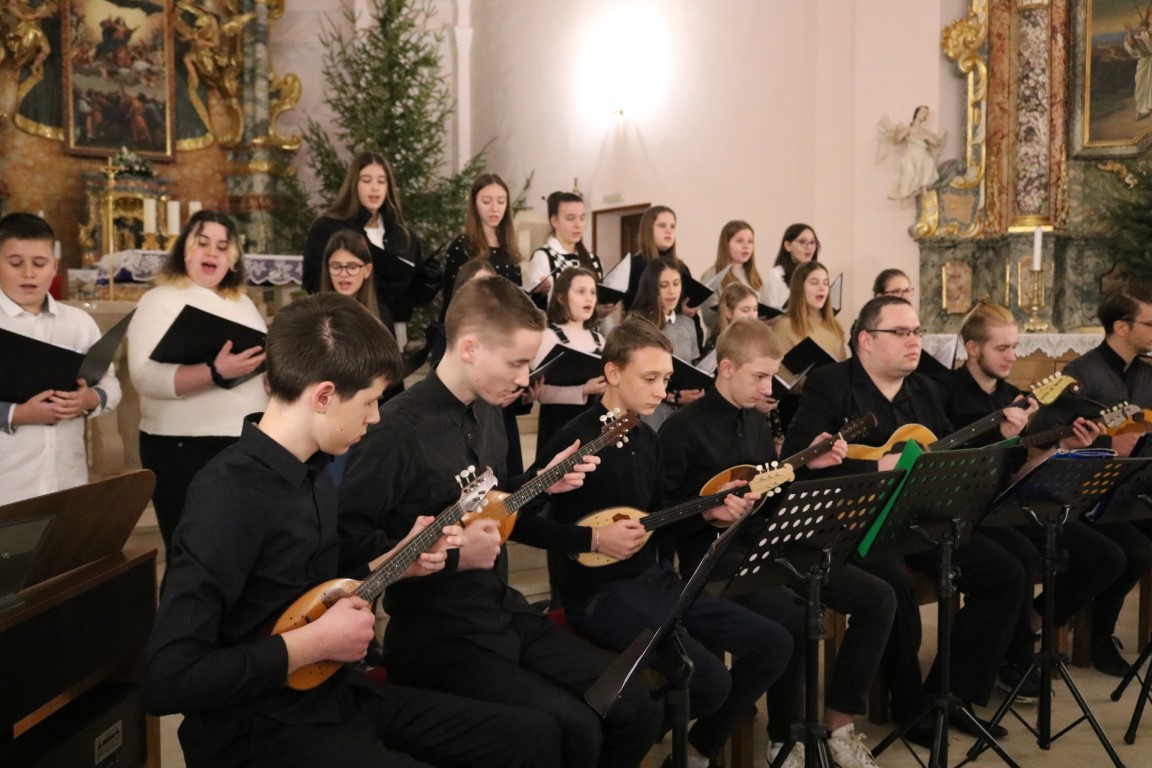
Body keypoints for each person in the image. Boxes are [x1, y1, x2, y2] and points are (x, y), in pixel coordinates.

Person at [144, 292, 562, 768]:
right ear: (323, 396)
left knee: (533, 736)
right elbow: (167, 680)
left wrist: (397, 561)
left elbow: (315, 585)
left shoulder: (316, 472)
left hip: (337, 697)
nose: (376, 416)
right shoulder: (227, 495)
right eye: (368, 401)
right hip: (261, 730)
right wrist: (311, 644)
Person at [338, 277, 662, 768]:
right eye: (516, 363)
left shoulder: (488, 413)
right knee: (571, 728)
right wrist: (450, 556)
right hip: (439, 637)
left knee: (632, 703)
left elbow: (492, 502)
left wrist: (542, 484)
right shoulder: (396, 430)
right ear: (469, 347)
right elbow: (347, 548)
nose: (524, 377)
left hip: (501, 612)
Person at [537, 318, 792, 768]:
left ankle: (694, 751)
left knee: (774, 643)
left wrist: (705, 511)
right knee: (710, 681)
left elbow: (654, 525)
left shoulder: (647, 439)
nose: (660, 390)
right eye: (649, 378)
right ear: (613, 373)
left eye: (667, 379)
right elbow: (536, 526)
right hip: (598, 594)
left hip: (653, 580)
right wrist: (593, 538)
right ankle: (617, 746)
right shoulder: (575, 439)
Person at [782, 295, 1031, 739]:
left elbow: (949, 460)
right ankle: (908, 705)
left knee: (1007, 574)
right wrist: (875, 468)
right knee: (892, 586)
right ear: (865, 340)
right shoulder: (831, 384)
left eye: (917, 332)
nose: (914, 341)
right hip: (854, 523)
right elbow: (795, 464)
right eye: (901, 333)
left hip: (919, 517)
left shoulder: (926, 390)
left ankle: (951, 694)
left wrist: (1003, 438)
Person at [660, 319, 894, 768]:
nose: (769, 388)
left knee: (877, 596)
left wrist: (811, 465)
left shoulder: (756, 421)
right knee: (793, 618)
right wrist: (706, 512)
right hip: (712, 563)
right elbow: (661, 516)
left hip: (766, 545)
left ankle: (837, 723)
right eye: (760, 376)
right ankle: (780, 741)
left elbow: (771, 497)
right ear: (726, 368)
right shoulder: (681, 430)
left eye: (772, 377)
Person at [935, 302, 1123, 694]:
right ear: (972, 348)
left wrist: (1062, 448)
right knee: (1017, 561)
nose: (1012, 357)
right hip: (966, 508)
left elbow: (1021, 467)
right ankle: (1005, 664)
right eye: (1001, 348)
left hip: (1009, 502)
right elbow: (944, 462)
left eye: (1014, 347)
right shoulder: (944, 393)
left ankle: (1026, 633)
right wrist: (1001, 436)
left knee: (1107, 556)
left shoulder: (1014, 397)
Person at [1027, 284, 1152, 676]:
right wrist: (1106, 444)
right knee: (1131, 553)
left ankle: (1100, 633)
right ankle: (1091, 636)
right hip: (1083, 497)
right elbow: (1045, 440)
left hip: (1131, 491)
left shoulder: (1146, 373)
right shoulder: (1081, 375)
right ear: (1121, 327)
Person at [127, 210, 267, 556]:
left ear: (233, 258)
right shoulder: (160, 299)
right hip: (182, 447)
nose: (212, 253)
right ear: (185, 252)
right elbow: (144, 377)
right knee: (191, 554)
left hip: (244, 442)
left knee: (235, 554)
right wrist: (215, 371)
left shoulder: (244, 303)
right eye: (202, 244)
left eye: (222, 247)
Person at [0, 212, 121, 506]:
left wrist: (89, 399)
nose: (28, 273)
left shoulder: (78, 323)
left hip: (67, 478)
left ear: (54, 267)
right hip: (9, 483)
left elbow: (111, 383)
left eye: (39, 264)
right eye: (15, 263)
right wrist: (18, 414)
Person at [303, 151, 439, 348]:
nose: (375, 187)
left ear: (389, 187)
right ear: (354, 184)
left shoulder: (401, 233)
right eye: (366, 180)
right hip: (343, 326)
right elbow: (313, 281)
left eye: (381, 181)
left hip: (392, 327)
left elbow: (413, 296)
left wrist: (427, 283)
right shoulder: (328, 227)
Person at [531, 267, 605, 461]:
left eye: (592, 292)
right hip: (558, 425)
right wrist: (584, 389)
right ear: (562, 297)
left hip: (594, 426)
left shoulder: (599, 339)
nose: (589, 298)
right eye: (581, 292)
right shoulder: (549, 336)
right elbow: (541, 392)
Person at [628, 258, 703, 430]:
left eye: (676, 284)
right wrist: (673, 396)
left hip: (685, 415)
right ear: (652, 288)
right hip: (650, 415)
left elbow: (693, 368)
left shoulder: (687, 323)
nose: (672, 291)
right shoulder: (637, 323)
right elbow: (634, 378)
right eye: (664, 285)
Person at [441, 173, 524, 310]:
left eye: (501, 202)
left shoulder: (508, 247)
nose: (495, 208)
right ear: (474, 204)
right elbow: (452, 300)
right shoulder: (463, 246)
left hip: (506, 324)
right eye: (486, 202)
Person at [526, 191, 603, 306]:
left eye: (582, 218)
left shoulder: (593, 260)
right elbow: (535, 307)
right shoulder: (544, 256)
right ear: (554, 221)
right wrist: (540, 292)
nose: (578, 225)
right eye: (570, 218)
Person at [772, 260, 849, 376]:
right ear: (800, 288)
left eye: (825, 283)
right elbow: (779, 373)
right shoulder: (786, 326)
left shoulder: (834, 326)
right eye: (814, 283)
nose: (822, 288)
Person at [700, 220, 773, 320]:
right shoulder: (713, 275)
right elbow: (709, 317)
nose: (746, 246)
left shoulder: (754, 276)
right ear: (726, 244)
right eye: (739, 241)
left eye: (750, 241)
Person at [877, 106, 947, 200]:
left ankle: (924, 187)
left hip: (923, 155)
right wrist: (897, 131)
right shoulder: (908, 129)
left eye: (926, 113)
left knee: (929, 162)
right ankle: (909, 190)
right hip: (912, 156)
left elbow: (935, 143)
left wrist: (927, 137)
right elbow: (896, 141)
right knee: (909, 174)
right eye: (923, 111)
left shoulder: (925, 131)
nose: (924, 114)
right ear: (916, 113)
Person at [318, 230, 380, 319]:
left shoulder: (382, 316)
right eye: (336, 267)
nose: (343, 274)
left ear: (367, 270)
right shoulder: (313, 315)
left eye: (352, 267)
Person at [697, 281, 758, 363]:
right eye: (745, 310)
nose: (752, 316)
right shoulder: (715, 347)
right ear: (728, 312)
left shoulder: (758, 343)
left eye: (755, 309)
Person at [764, 223, 820, 310]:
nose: (809, 247)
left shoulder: (815, 275)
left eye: (813, 242)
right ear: (788, 246)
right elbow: (770, 315)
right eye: (802, 242)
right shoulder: (775, 275)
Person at [1124, 18, 1152, 121]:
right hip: (1144, 63)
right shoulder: (1141, 32)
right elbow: (1132, 45)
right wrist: (1129, 32)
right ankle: (1140, 110)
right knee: (1141, 88)